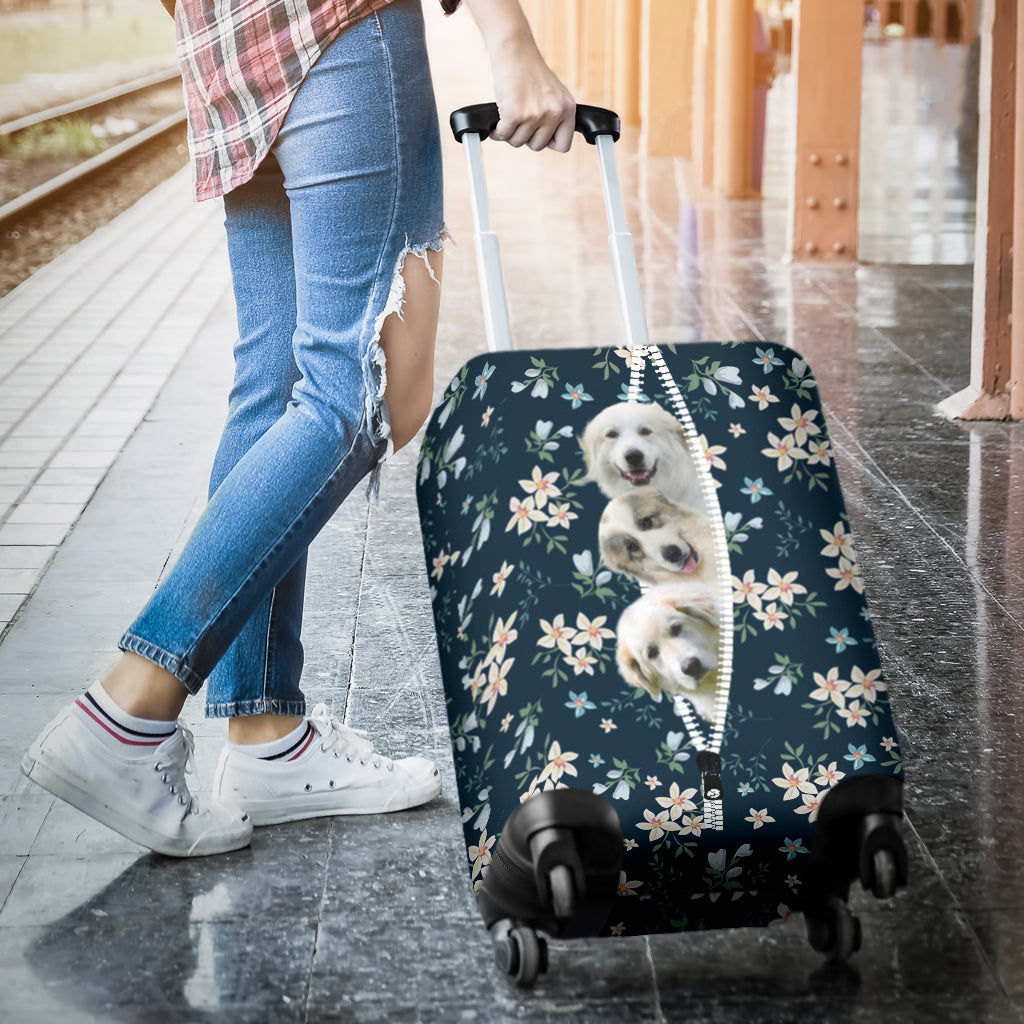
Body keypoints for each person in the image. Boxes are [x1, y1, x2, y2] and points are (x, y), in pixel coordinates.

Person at [21, 0, 575, 857]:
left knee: (277, 387)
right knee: (360, 392)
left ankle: (265, 735)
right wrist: (512, 44)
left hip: (228, 50)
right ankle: (128, 711)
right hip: (342, 28)